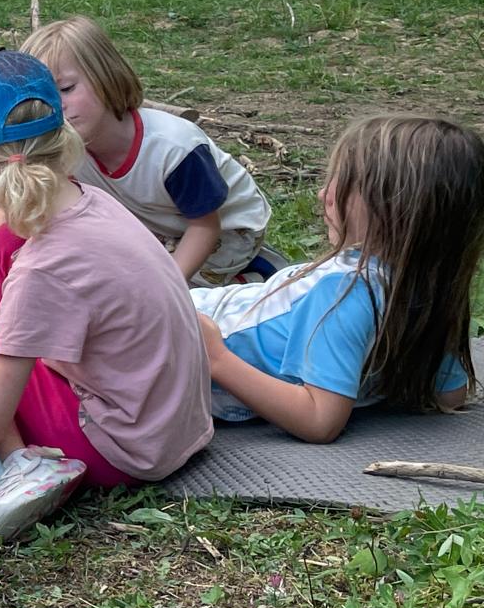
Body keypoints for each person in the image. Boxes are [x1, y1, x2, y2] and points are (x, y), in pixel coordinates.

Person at [0, 52, 214, 540]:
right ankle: (1, 383)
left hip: (120, 450)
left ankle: (20, 466)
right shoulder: (91, 200)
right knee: (4, 239)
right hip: (174, 428)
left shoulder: (42, 267)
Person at [193, 113, 484, 442]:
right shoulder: (426, 285)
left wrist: (216, 358)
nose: (322, 194)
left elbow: (319, 420)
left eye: (341, 183)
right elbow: (449, 394)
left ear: (391, 208)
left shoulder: (346, 291)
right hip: (199, 314)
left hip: (190, 344)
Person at [23, 16, 274, 285]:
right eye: (43, 98)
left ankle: (251, 277)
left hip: (228, 228)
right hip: (161, 224)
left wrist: (167, 287)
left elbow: (205, 226)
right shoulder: (64, 149)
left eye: (66, 89)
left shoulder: (173, 150)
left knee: (177, 298)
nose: (57, 105)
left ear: (106, 77)